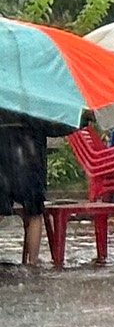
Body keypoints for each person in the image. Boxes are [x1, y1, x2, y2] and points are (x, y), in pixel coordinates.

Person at [0, 111, 48, 271]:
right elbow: (55, 126)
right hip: (30, 156)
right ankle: (32, 263)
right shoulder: (36, 100)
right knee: (34, 213)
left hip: (2, 154)